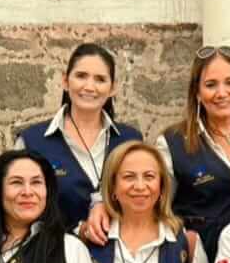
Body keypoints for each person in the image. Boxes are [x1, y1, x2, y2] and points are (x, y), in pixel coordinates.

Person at [16, 43, 143, 237]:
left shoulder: (131, 141)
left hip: (122, 252)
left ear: (113, 88)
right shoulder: (32, 141)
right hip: (53, 252)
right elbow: (17, 212)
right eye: (81, 76)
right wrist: (79, 230)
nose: (89, 87)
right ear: (65, 81)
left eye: (100, 79)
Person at [156, 46, 230, 247]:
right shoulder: (171, 143)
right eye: (210, 85)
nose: (221, 93)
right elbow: (156, 208)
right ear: (197, 92)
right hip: (202, 257)